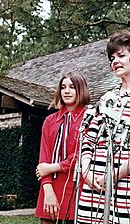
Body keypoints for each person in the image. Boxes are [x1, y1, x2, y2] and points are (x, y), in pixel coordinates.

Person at [77, 30, 130, 224]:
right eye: (112, 57)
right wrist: (86, 173)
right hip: (94, 192)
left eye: (121, 55)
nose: (114, 61)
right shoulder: (105, 99)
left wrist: (113, 175)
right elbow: (88, 139)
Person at [35, 71, 91, 224]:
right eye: (63, 87)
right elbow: (43, 158)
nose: (66, 91)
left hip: (78, 187)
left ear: (81, 89)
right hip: (50, 188)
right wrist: (47, 189)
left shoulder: (91, 119)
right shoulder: (49, 121)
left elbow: (83, 154)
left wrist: (54, 166)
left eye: (72, 87)